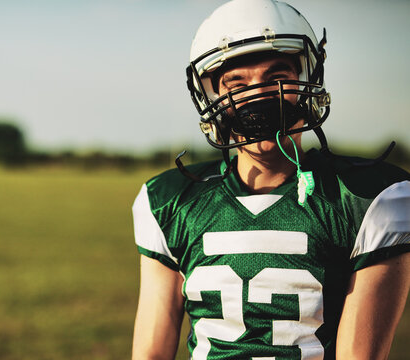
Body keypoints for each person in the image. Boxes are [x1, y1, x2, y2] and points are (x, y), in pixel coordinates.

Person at [131, 0, 410, 359]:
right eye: (237, 83)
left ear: (307, 80)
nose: (258, 96)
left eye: (277, 78)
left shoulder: (367, 198)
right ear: (212, 95)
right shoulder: (170, 200)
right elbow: (151, 353)